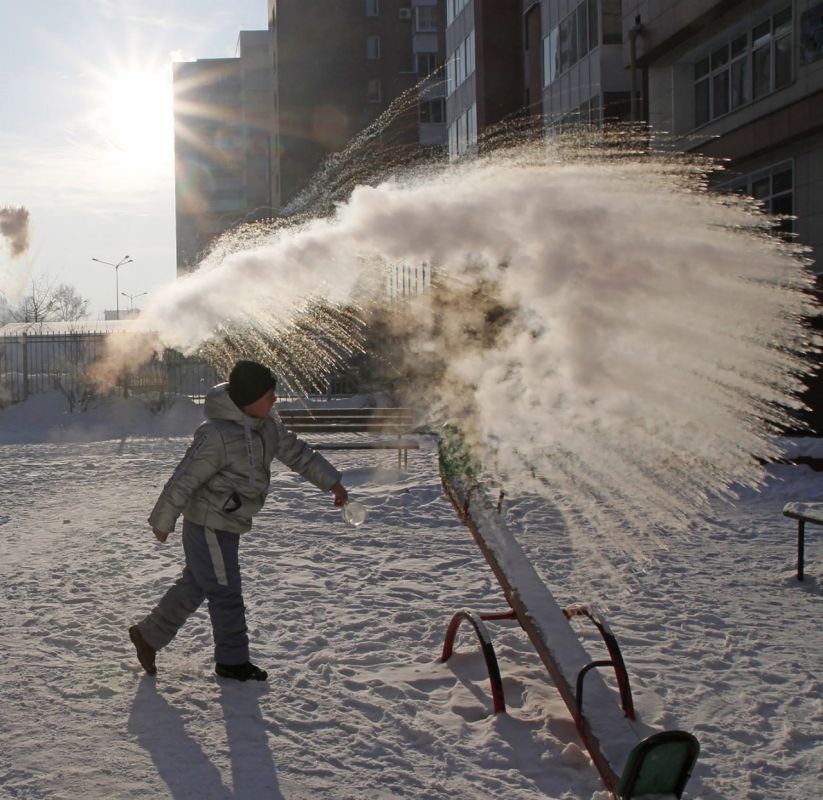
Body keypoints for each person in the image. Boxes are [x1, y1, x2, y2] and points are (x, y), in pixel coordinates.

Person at [129, 360, 348, 682]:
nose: (275, 400)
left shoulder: (267, 428)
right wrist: (162, 520)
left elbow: (299, 453)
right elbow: (184, 478)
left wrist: (332, 482)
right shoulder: (216, 435)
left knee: (198, 584)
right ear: (250, 398)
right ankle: (232, 661)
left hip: (227, 523)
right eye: (269, 395)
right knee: (225, 591)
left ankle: (149, 636)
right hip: (208, 524)